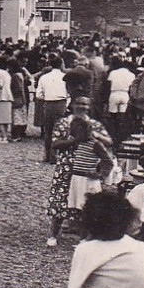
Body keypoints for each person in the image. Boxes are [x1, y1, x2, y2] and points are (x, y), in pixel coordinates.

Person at [45, 99, 111, 246]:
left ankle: (85, 237)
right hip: (65, 168)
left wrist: (94, 135)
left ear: (89, 107)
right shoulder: (63, 123)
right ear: (72, 106)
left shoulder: (94, 124)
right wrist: (75, 140)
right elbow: (55, 143)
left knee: (85, 204)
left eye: (85, 104)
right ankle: (53, 235)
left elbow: (108, 142)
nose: (82, 107)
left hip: (86, 170)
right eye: (79, 103)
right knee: (60, 201)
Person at [33, 57, 70, 162]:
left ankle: (48, 155)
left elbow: (38, 94)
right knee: (59, 130)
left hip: (48, 103)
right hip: (61, 103)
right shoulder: (65, 77)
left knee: (48, 131)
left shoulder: (44, 77)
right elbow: (69, 93)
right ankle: (56, 155)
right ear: (61, 64)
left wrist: (47, 96)